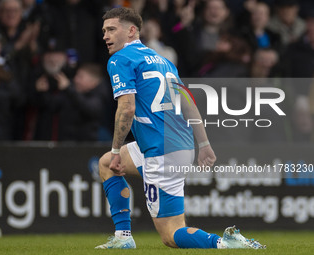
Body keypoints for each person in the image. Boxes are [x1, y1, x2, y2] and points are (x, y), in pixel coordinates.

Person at [96, 7, 266, 249]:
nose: (105, 36)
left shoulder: (121, 59)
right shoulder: (163, 60)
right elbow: (188, 103)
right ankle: (123, 238)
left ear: (132, 31)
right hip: (178, 145)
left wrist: (115, 149)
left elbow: (127, 108)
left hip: (160, 151)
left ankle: (225, 243)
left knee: (170, 234)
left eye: (111, 29)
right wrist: (204, 144)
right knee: (106, 165)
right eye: (104, 31)